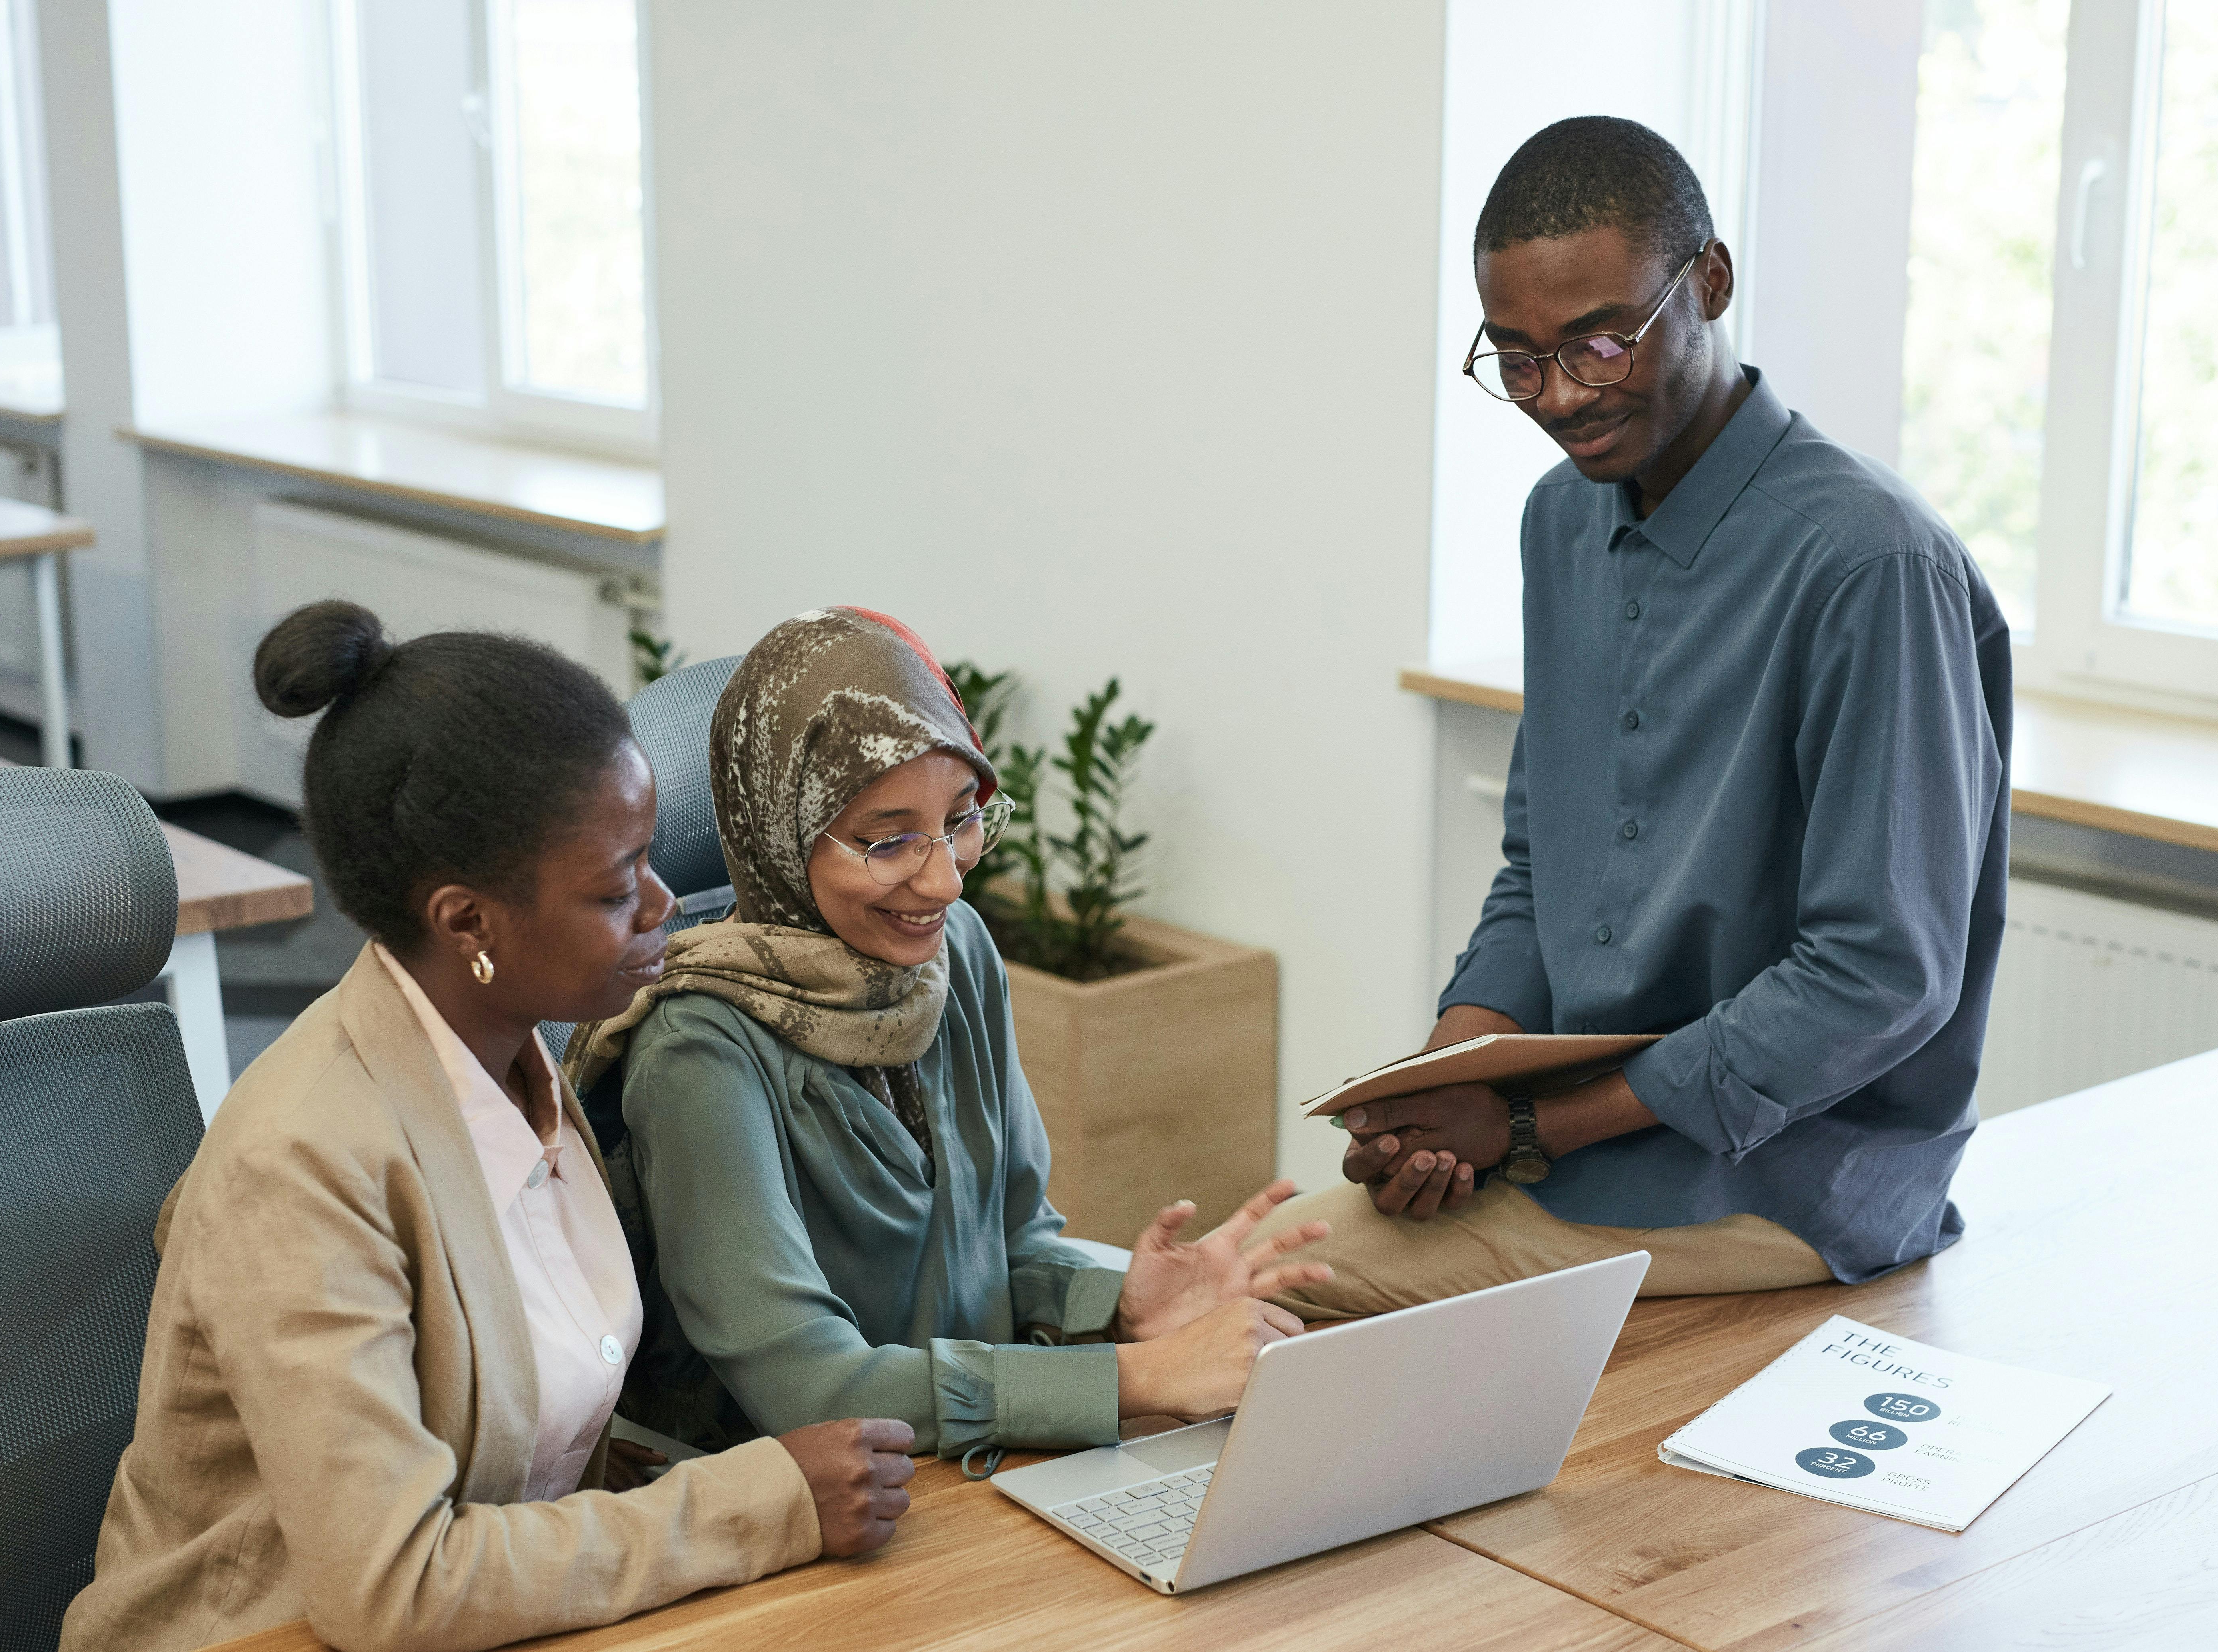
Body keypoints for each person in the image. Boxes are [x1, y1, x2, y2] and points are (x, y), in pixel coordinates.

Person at [1255, 116, 2010, 1314]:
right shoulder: (1560, 523)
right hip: (1588, 1137)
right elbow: (1537, 869)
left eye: (1599, 344)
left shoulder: (1871, 567)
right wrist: (1440, 1091)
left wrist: (1525, 1125)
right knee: (1251, 1279)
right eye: (1514, 358)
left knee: (1259, 1287)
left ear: (1707, 281)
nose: (1557, 396)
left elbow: (1878, 974)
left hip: (1801, 1175)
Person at [64, 602, 916, 1652]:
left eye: (647, 861)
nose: (661, 907)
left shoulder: (520, 1067)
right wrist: (762, 1504)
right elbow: (393, 1587)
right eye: (615, 889)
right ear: (466, 920)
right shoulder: (304, 1162)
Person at [567, 606, 1330, 1463]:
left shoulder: (952, 954)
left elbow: (1015, 1240)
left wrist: (1119, 1302)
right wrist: (1141, 1375)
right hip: (815, 1510)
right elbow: (812, 1391)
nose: (941, 878)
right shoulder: (697, 1049)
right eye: (887, 840)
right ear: (777, 833)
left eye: (961, 819)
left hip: (986, 1460)